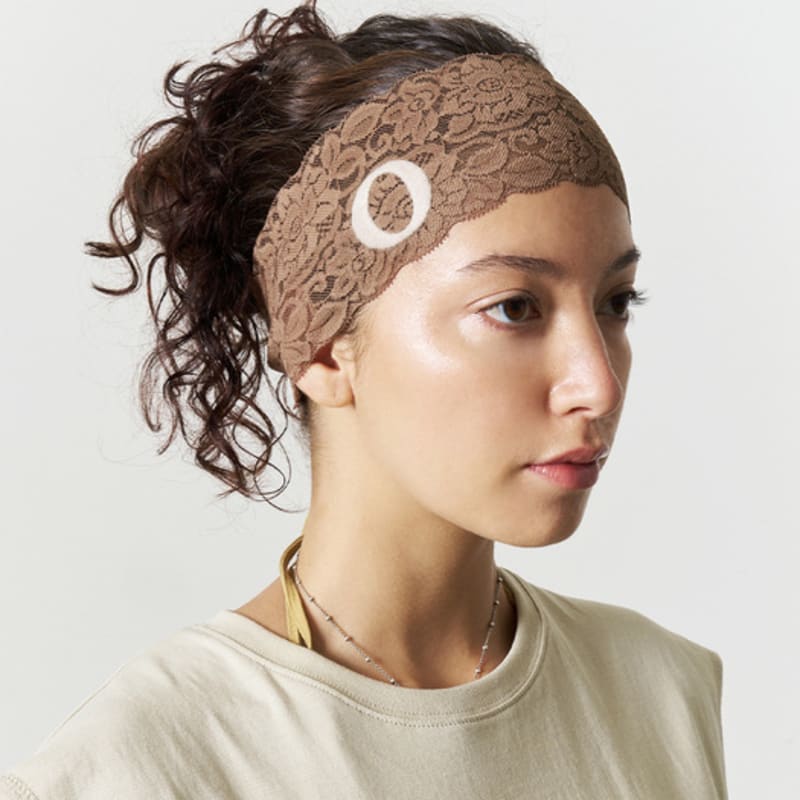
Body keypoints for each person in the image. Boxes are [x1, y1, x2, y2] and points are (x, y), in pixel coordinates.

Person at [0, 2, 728, 798]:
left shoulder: (662, 692)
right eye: (515, 307)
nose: (598, 383)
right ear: (319, 345)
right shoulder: (144, 766)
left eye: (616, 302)